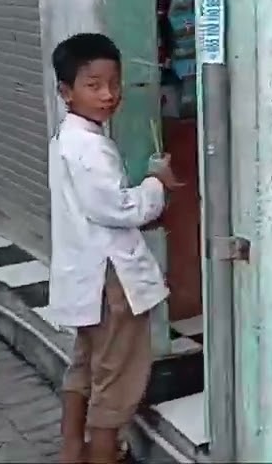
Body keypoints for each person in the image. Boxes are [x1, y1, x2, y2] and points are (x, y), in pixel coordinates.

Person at [46, 32, 182, 464]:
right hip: (111, 280)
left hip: (85, 275)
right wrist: (155, 183)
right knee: (116, 378)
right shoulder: (89, 148)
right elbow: (118, 208)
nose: (108, 95)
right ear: (66, 91)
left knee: (85, 365)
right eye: (93, 85)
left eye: (114, 83)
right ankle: (104, 454)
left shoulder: (68, 138)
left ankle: (72, 450)